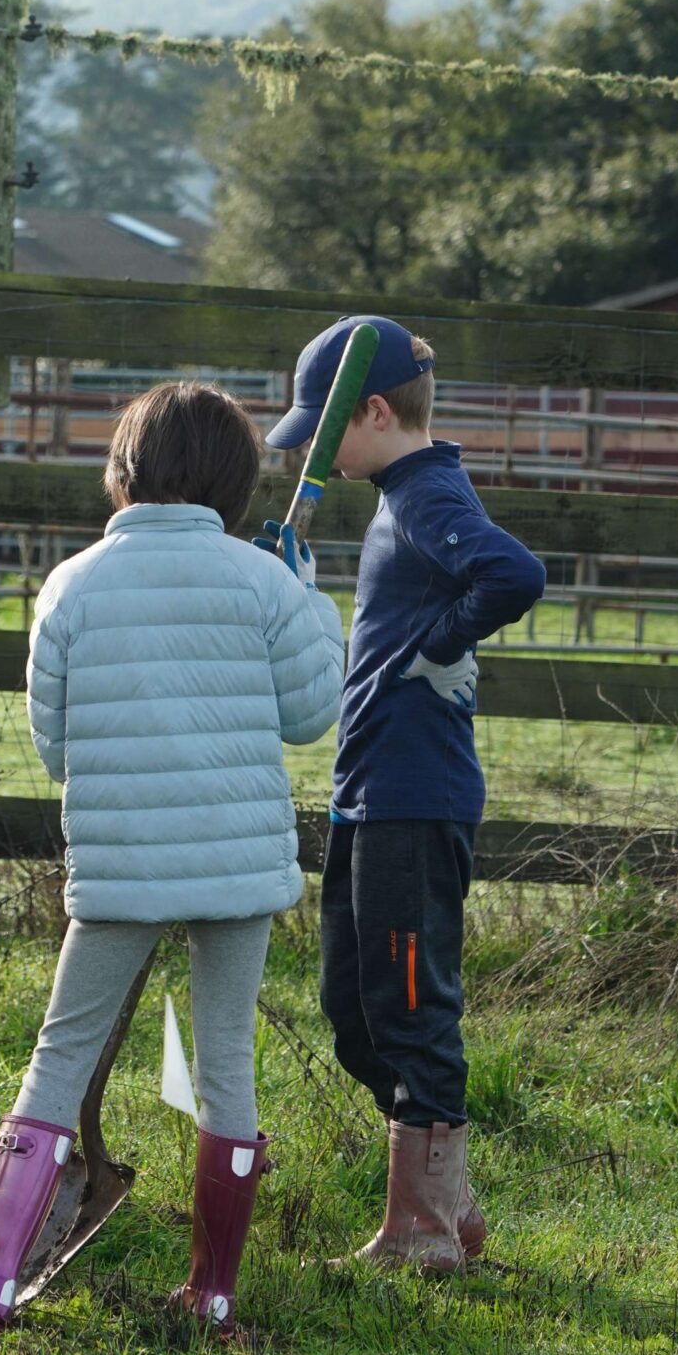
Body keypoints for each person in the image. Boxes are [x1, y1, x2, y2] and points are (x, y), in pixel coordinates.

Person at [0, 382, 344, 1331]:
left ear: (122, 469)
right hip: (235, 862)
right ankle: (212, 1293)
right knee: (226, 1063)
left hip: (121, 863)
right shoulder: (264, 581)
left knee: (61, 1053)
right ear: (234, 482)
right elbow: (312, 714)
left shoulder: (71, 583)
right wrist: (308, 595)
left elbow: (54, 747)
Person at [264, 315, 545, 1274]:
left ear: (375, 411)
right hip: (369, 791)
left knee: (412, 1005)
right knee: (356, 1009)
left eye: (323, 431)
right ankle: (448, 1205)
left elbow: (512, 573)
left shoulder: (427, 490)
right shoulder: (399, 495)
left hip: (415, 797)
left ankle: (421, 1232)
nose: (311, 453)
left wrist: (442, 646)